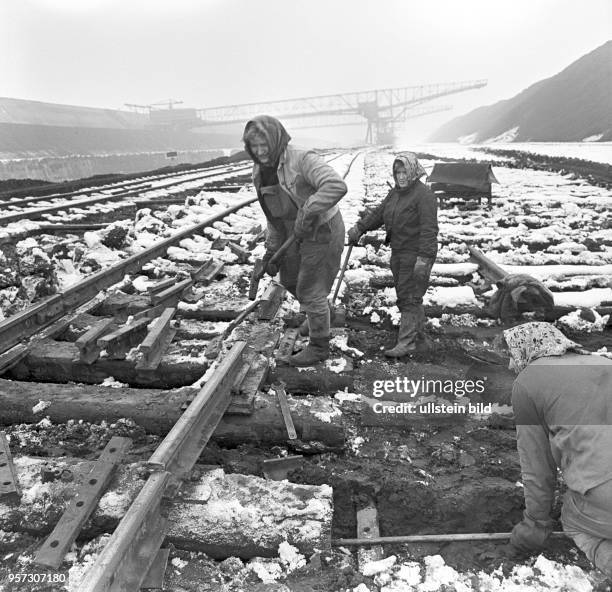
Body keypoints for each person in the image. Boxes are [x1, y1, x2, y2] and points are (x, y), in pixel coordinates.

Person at [504, 322, 612, 577]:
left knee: (575, 522)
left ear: (528, 348)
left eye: (511, 354)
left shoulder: (527, 382)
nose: (510, 365)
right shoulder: (604, 362)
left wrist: (534, 527)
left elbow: (538, 470)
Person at [242, 115, 347, 366]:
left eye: (264, 145)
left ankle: (319, 346)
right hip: (291, 231)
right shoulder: (259, 170)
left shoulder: (302, 158)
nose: (260, 152)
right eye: (254, 147)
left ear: (276, 139)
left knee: (310, 287)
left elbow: (336, 185)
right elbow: (273, 213)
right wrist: (271, 250)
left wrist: (308, 210)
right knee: (288, 278)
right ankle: (322, 313)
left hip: (321, 229)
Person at [346, 153, 438, 356]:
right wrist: (360, 228)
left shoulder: (424, 195)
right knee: (409, 295)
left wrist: (423, 260)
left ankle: (407, 343)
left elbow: (429, 230)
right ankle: (419, 337)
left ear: (414, 171)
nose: (401, 176)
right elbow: (379, 213)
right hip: (399, 251)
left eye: (405, 172)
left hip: (416, 254)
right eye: (398, 172)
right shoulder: (395, 193)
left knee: (409, 297)